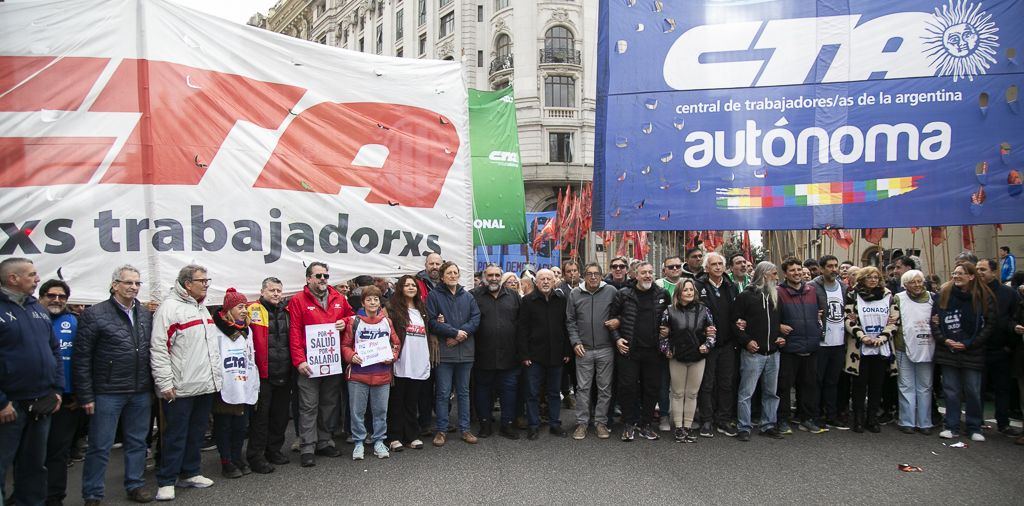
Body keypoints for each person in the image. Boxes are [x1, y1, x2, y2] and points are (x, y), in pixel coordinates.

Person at [73, 266, 154, 505]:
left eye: (137, 283)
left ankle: (135, 485)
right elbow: (81, 358)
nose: (134, 287)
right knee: (100, 445)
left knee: (138, 442)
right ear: (114, 284)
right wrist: (86, 396)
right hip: (108, 391)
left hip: (140, 390)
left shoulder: (145, 314)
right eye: (128, 282)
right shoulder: (95, 314)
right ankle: (92, 494)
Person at [150, 264, 221, 500]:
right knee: (175, 435)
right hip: (180, 387)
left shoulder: (202, 308)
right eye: (202, 281)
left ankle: (190, 472)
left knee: (196, 432)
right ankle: (167, 480)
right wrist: (164, 383)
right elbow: (159, 348)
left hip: (203, 384)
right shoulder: (169, 308)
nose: (206, 284)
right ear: (187, 284)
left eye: (207, 280)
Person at [0, 258, 63, 506]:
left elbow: (54, 351)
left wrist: (57, 390)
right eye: (32, 275)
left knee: (34, 467)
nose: (38, 279)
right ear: (13, 278)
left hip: (42, 402)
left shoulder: (37, 309)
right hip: (9, 406)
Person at [288, 262, 353, 467]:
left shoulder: (339, 298)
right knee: (308, 406)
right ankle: (307, 446)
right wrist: (299, 360)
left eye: (325, 275)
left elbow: (352, 316)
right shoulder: (297, 300)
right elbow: (294, 331)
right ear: (308, 279)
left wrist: (346, 321)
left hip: (332, 362)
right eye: (318, 276)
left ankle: (323, 442)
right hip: (309, 363)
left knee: (328, 405)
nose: (323, 279)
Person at [932, 262, 995, 441]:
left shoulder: (983, 296)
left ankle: (974, 427)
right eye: (955, 273)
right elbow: (934, 322)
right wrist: (945, 340)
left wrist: (970, 343)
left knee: (973, 391)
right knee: (951, 390)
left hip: (972, 352)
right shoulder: (943, 295)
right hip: (948, 351)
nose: (957, 276)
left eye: (961, 273)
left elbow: (989, 324)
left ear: (972, 276)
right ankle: (951, 426)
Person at [610, 262, 671, 441]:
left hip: (653, 351)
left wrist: (668, 329)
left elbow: (669, 316)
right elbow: (612, 318)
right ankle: (628, 423)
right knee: (627, 388)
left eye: (650, 273)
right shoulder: (624, 294)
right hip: (629, 350)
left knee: (652, 389)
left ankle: (646, 425)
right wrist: (617, 338)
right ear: (634, 275)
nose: (647, 276)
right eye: (643, 272)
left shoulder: (662, 294)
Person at [342, 286, 401, 460]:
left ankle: (378, 441)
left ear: (379, 302)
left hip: (381, 374)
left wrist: (392, 357)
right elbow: (345, 345)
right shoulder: (355, 322)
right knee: (357, 411)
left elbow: (396, 344)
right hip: (358, 375)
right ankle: (358, 442)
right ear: (363, 303)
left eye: (376, 299)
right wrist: (351, 356)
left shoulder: (387, 322)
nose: (372, 302)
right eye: (369, 299)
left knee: (380, 411)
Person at [426, 262, 481, 446]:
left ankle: (465, 429)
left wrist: (458, 336)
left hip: (465, 352)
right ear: (442, 276)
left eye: (455, 273)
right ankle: (441, 430)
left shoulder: (467, 296)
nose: (452, 276)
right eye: (449, 273)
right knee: (442, 393)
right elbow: (432, 322)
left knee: (463, 393)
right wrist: (452, 332)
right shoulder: (434, 296)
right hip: (444, 353)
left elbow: (475, 319)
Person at [38, 278, 80, 506]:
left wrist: (80, 394)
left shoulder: (75, 321)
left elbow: (83, 360)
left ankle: (54, 498)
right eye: (51, 296)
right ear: (41, 297)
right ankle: (25, 494)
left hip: (66, 399)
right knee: (31, 453)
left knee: (58, 452)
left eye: (61, 297)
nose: (56, 300)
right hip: (34, 397)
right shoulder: (29, 318)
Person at [732, 262, 784, 441]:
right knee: (746, 393)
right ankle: (744, 427)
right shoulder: (745, 296)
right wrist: (746, 341)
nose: (777, 278)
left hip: (773, 353)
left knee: (771, 393)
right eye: (775, 274)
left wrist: (780, 337)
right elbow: (735, 323)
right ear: (765, 275)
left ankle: (768, 424)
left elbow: (779, 323)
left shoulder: (776, 296)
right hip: (753, 353)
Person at [245, 278, 293, 474]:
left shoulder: (287, 311)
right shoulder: (251, 310)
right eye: (272, 290)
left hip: (284, 372)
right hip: (262, 374)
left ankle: (273, 450)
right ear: (262, 291)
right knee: (261, 418)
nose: (276, 294)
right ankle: (255, 456)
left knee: (280, 416)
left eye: (279, 291)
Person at [844, 267, 899, 434]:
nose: (874, 280)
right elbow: (848, 318)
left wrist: (882, 337)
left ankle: (872, 417)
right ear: (861, 279)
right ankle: (859, 417)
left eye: (876, 277)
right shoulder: (853, 295)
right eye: (869, 277)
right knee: (860, 384)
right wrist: (861, 336)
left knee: (877, 383)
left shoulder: (888, 296)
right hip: (860, 347)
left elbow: (894, 320)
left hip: (881, 346)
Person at [211, 289, 259, 478]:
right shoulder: (218, 331)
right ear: (230, 309)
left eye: (245, 307)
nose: (245, 311)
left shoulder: (247, 330)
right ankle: (226, 460)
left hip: (244, 382)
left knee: (241, 424)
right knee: (224, 424)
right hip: (227, 381)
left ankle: (237, 456)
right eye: (240, 307)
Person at [567, 263, 618, 440]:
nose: (593, 277)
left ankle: (600, 423)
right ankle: (581, 423)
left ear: (602, 275)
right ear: (584, 275)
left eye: (596, 274)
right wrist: (575, 342)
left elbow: (620, 313)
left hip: (606, 348)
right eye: (589, 274)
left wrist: (617, 321)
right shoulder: (575, 293)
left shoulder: (611, 291)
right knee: (583, 388)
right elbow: (570, 321)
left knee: (604, 388)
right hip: (583, 349)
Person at [470, 265, 522, 440]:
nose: (493, 278)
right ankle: (484, 424)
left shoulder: (513, 296)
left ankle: (507, 424)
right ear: (484, 276)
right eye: (490, 275)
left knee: (509, 390)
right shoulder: (473, 296)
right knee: (482, 389)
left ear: (501, 277)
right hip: (482, 353)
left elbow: (522, 324)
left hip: (510, 353)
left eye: (497, 275)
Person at [775, 257, 826, 435]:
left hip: (810, 344)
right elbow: (773, 317)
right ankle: (782, 419)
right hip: (789, 345)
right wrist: (778, 327)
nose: (796, 273)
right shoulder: (778, 292)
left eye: (799, 269)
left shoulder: (812, 290)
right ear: (785, 273)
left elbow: (819, 315)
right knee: (784, 385)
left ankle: (807, 418)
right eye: (792, 270)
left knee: (809, 384)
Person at [660, 278, 714, 443]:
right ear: (679, 293)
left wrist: (707, 346)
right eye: (685, 290)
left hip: (698, 357)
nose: (689, 292)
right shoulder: (669, 311)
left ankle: (688, 427)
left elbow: (712, 333)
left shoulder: (704, 310)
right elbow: (662, 334)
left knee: (691, 394)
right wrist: (666, 350)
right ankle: (678, 427)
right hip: (677, 357)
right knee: (677, 393)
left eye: (691, 289)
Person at [518, 269, 570, 439]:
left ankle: (555, 424)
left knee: (554, 392)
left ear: (554, 282)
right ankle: (533, 425)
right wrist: (524, 355)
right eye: (542, 279)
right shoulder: (527, 301)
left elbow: (566, 327)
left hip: (557, 354)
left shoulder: (562, 299)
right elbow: (522, 329)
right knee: (532, 393)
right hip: (534, 355)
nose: (546, 281)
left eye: (549, 279)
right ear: (536, 283)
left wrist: (567, 350)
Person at [693, 252, 739, 438]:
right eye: (714, 264)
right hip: (707, 343)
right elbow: (692, 312)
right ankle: (706, 420)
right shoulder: (698, 286)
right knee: (707, 383)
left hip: (727, 342)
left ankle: (724, 420)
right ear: (707, 268)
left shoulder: (731, 286)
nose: (718, 267)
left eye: (720, 264)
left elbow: (738, 311)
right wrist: (703, 330)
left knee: (726, 383)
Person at [385, 275, 432, 451]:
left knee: (412, 400)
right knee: (397, 400)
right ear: (400, 288)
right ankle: (394, 437)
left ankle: (411, 436)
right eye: (407, 285)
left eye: (414, 285)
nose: (411, 288)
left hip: (418, 360)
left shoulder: (422, 309)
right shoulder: (391, 308)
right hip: (401, 360)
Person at [976, 259, 1021, 437]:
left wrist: (1010, 347)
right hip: (978, 350)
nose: (979, 272)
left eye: (983, 269)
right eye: (977, 269)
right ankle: (976, 421)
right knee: (976, 387)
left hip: (1002, 350)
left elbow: (1016, 319)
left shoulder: (1009, 294)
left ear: (994, 272)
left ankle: (1003, 423)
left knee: (1002, 389)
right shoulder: (974, 292)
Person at [809, 255, 850, 430]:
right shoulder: (812, 288)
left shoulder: (844, 287)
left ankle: (831, 415)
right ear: (821, 268)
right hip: (821, 342)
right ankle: (816, 414)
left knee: (833, 381)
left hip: (839, 342)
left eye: (836, 266)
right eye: (830, 266)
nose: (834, 269)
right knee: (816, 380)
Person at [893, 269, 936, 435]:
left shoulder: (932, 298)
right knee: (905, 385)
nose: (917, 285)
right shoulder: (898, 298)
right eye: (913, 282)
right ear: (905, 285)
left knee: (925, 386)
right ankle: (907, 421)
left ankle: (925, 422)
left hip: (926, 347)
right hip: (904, 347)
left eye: (920, 282)